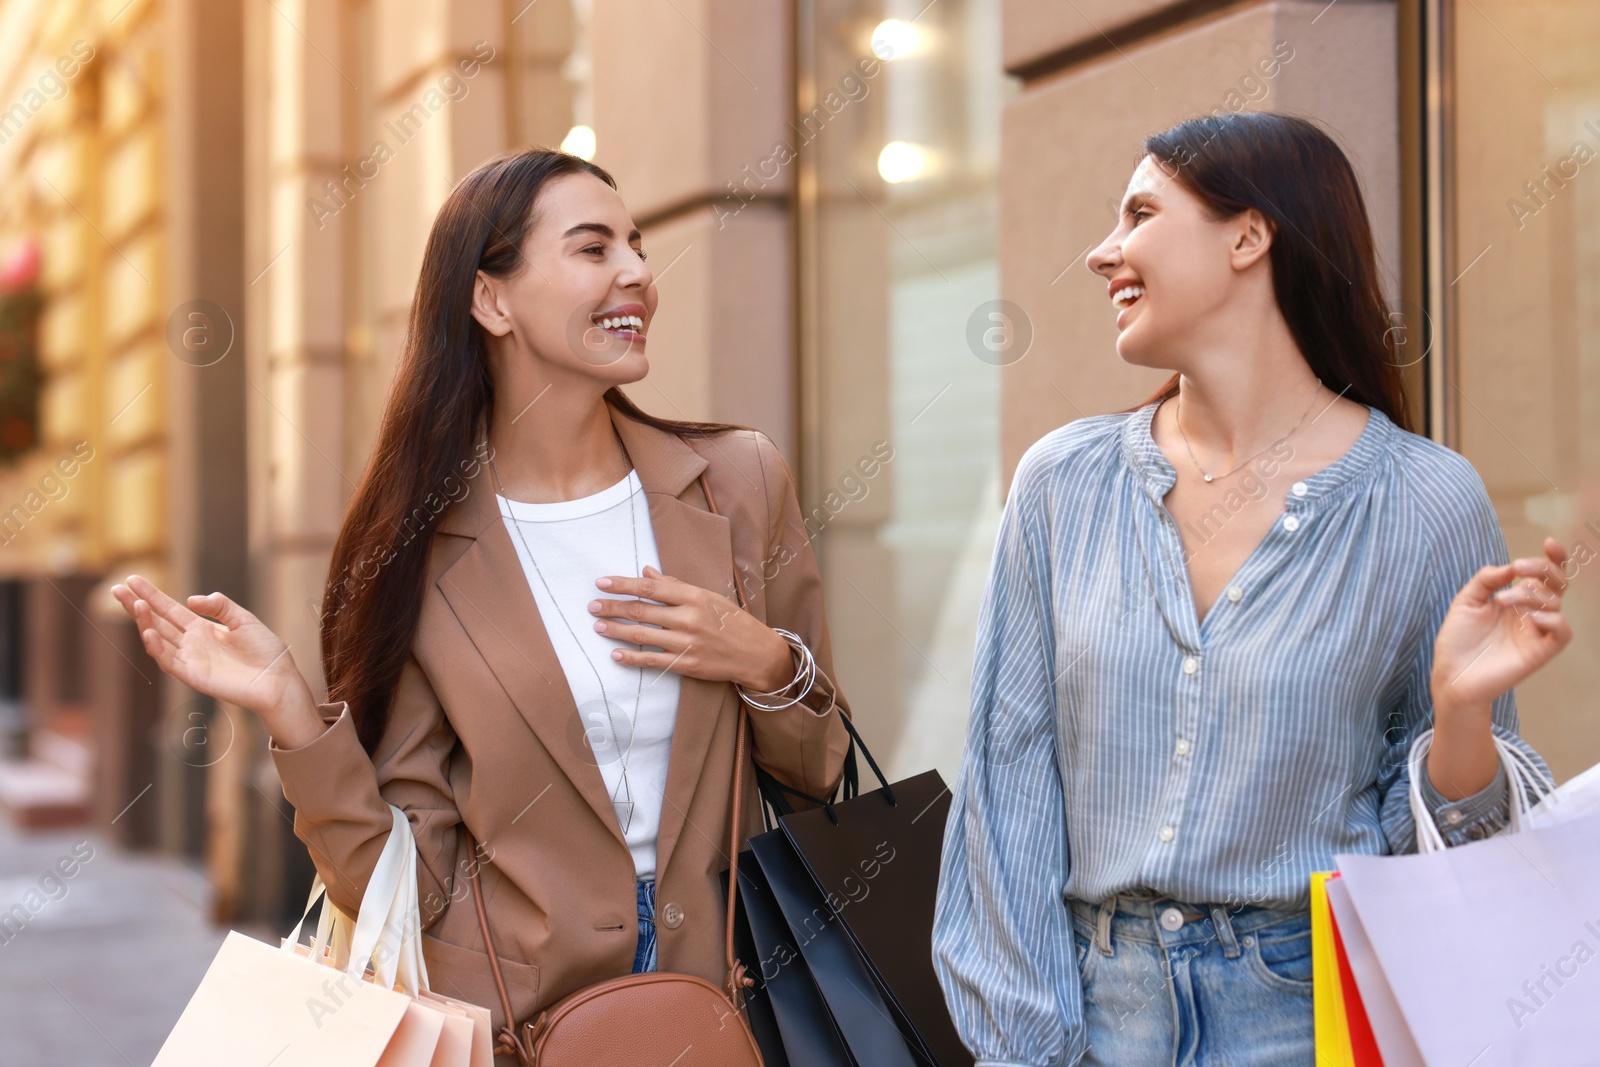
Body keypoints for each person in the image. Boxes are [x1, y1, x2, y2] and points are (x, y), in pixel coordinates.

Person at [112, 148, 851, 1055]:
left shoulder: (737, 483)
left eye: (637, 244)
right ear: (490, 299)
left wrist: (763, 660)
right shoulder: (417, 548)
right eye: (592, 248)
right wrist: (292, 711)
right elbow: (399, 887)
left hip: (726, 1009)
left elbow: (820, 771)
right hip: (513, 1030)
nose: (637, 274)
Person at [931, 112, 1568, 1067]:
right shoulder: (1062, 482)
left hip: (1313, 1017)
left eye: (1140, 213)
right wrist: (1023, 1047)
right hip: (1099, 1012)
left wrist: (1462, 712)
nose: (1105, 253)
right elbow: (1007, 786)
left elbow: (1460, 856)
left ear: (1248, 234)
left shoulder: (1426, 500)